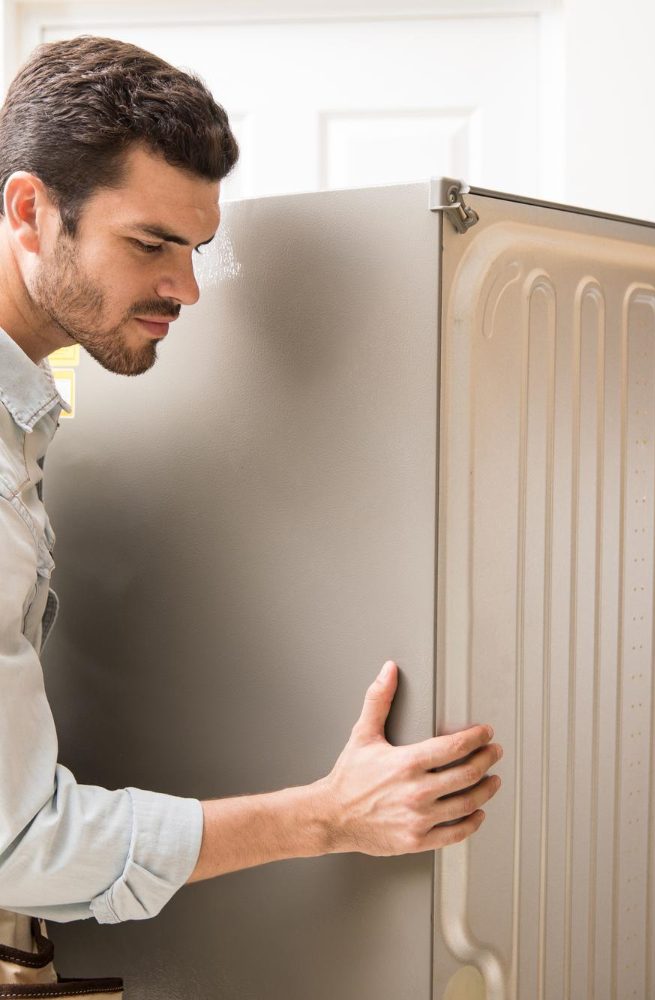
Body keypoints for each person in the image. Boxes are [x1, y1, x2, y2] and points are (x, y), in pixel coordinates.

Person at [0, 34, 502, 945]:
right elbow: (21, 843)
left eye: (196, 247)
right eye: (151, 243)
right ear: (30, 209)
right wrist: (330, 816)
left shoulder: (28, 411)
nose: (186, 288)